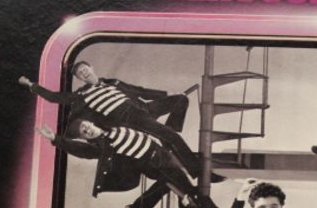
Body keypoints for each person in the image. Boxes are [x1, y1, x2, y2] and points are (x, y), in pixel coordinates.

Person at [36, 122, 218, 208]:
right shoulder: (100, 146)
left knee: (178, 187)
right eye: (84, 133)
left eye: (86, 126)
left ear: (91, 122)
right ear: (84, 138)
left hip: (162, 153)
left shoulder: (112, 126)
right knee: (185, 188)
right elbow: (82, 151)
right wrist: (56, 139)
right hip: (153, 163)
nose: (87, 130)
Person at [19, 61, 196, 167]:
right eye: (80, 74)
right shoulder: (82, 94)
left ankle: (169, 135)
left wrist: (166, 94)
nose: (84, 73)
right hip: (130, 118)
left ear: (91, 68)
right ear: (79, 79)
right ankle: (193, 165)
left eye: (85, 69)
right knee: (171, 136)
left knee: (181, 100)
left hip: (144, 108)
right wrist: (32, 86)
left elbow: (139, 90)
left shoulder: (112, 82)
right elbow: (54, 97)